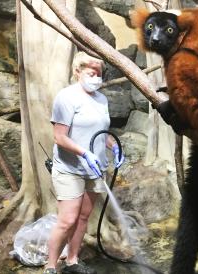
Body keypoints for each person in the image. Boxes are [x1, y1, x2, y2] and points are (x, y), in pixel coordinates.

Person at [44, 52, 123, 274]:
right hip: (70, 169)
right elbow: (60, 137)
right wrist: (85, 153)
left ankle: (72, 260)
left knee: (83, 217)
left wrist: (114, 146)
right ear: (77, 71)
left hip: (95, 170)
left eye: (99, 73)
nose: (96, 77)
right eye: (91, 72)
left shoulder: (101, 99)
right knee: (67, 220)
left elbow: (101, 133)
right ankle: (50, 266)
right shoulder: (66, 98)